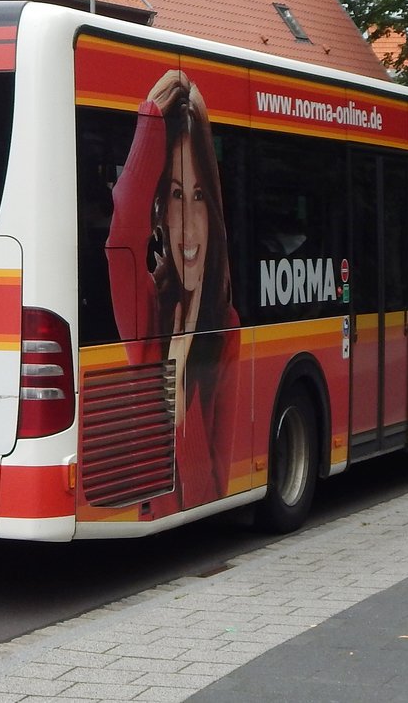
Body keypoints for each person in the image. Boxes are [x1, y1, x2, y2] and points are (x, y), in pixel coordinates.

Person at [105, 70, 240, 508]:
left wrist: (181, 411)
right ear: (160, 212)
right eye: (176, 196)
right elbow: (122, 231)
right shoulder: (147, 308)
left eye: (199, 197)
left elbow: (214, 492)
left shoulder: (227, 327)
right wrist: (157, 110)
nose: (187, 225)